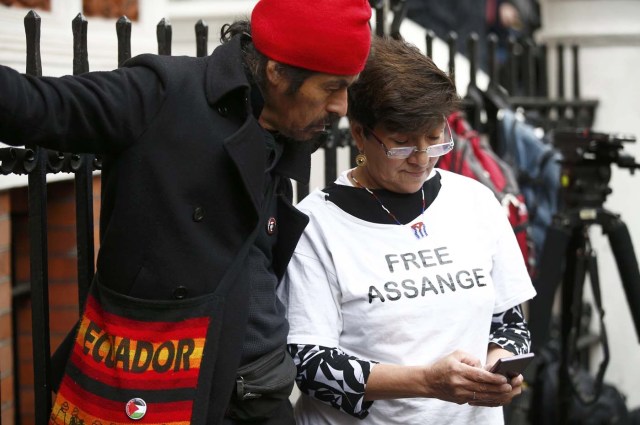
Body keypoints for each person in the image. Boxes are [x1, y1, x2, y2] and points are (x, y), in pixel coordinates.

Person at [0, 0, 372, 424]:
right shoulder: (162, 94)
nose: (343, 107)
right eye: (332, 87)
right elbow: (37, 105)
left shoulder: (288, 120)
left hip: (262, 389)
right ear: (276, 71)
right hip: (160, 381)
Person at [279, 36, 537, 424]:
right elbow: (310, 365)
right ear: (360, 133)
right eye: (401, 145)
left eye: (434, 139)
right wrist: (427, 382)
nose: (421, 159)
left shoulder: (474, 201)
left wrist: (497, 368)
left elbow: (510, 322)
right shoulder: (317, 225)